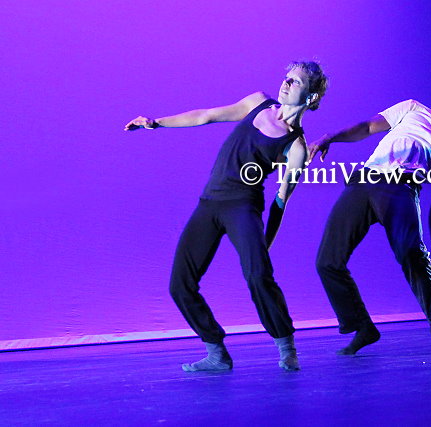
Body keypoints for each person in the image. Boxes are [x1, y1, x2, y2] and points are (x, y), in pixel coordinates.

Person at [124, 61, 328, 371]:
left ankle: (286, 348)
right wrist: (157, 123)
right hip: (209, 203)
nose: (285, 84)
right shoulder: (257, 102)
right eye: (286, 78)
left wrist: (266, 243)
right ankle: (217, 353)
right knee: (180, 284)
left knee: (258, 275)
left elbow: (281, 201)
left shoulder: (296, 146)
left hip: (243, 207)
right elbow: (205, 116)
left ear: (311, 97)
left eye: (296, 82)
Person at [309, 85, 431, 355]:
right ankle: (363, 328)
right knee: (327, 262)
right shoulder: (414, 108)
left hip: (400, 188)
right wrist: (330, 137)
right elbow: (368, 127)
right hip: (365, 180)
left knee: (412, 255)